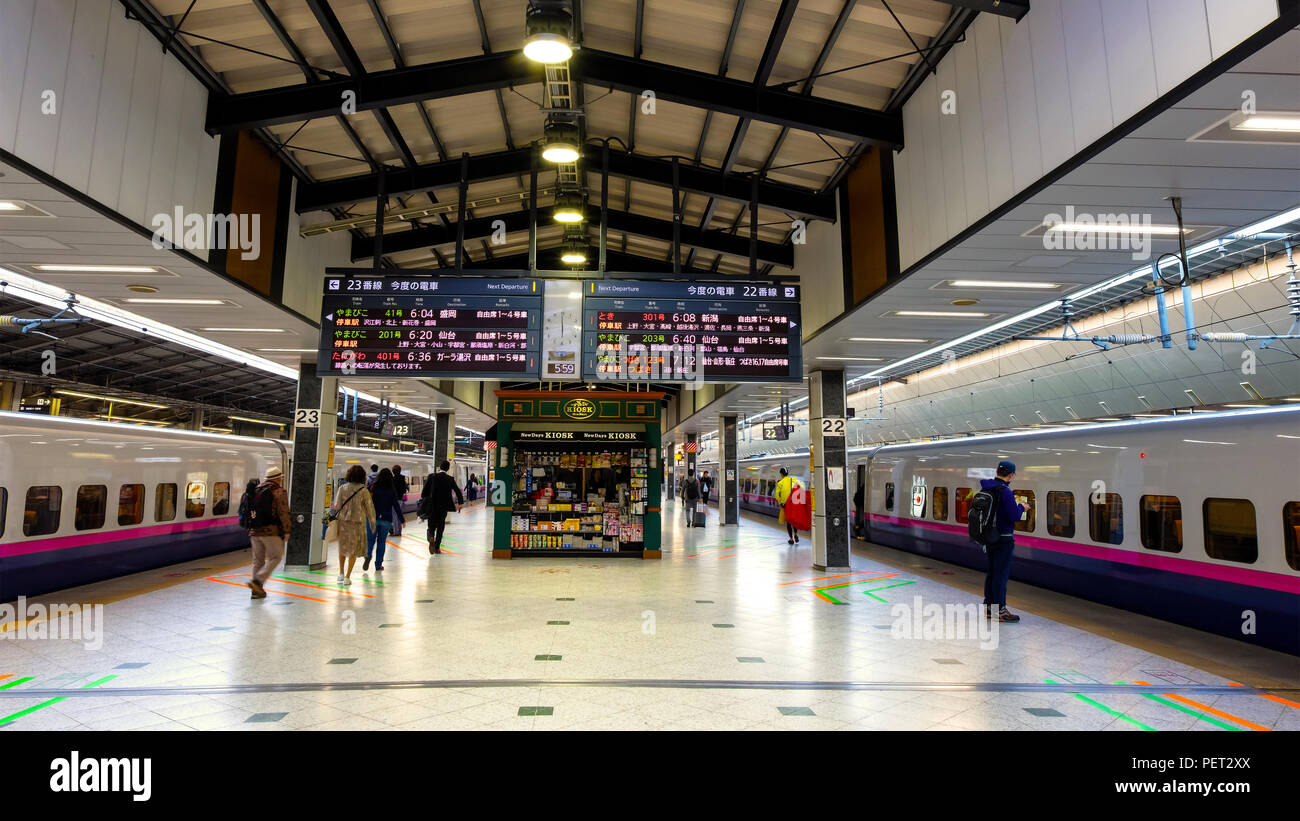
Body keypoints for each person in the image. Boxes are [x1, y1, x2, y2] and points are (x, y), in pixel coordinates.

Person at [980, 461, 1025, 623]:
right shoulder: (1005, 492)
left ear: (997, 471)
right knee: (1001, 575)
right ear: (1011, 475)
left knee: (992, 572)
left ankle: (989, 607)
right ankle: (1001, 609)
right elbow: (1014, 516)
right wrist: (1022, 507)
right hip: (1004, 539)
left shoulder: (985, 488)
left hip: (989, 537)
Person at [245, 466, 291, 599]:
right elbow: (283, 513)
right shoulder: (278, 491)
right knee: (276, 557)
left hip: (254, 531)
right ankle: (257, 581)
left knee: (258, 561)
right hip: (270, 531)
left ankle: (256, 591)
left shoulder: (256, 489)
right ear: (278, 478)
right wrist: (287, 530)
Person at [332, 465, 376, 586]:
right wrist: (372, 523)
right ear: (362, 476)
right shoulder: (364, 491)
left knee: (343, 547)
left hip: (343, 522)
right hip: (358, 523)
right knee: (353, 550)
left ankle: (341, 573)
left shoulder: (342, 488)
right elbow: (369, 508)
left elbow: (336, 505)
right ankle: (347, 577)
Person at [419, 460, 463, 554]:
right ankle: (437, 548)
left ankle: (431, 537)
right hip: (443, 508)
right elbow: (458, 491)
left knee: (431, 526)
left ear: (440, 467)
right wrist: (460, 503)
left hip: (431, 507)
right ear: (447, 469)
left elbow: (424, 493)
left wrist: (426, 499)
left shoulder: (432, 477)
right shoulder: (450, 479)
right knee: (440, 527)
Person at [364, 468, 403, 572]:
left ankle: (368, 555)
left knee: (370, 540)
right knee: (381, 542)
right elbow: (396, 506)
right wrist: (402, 520)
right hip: (386, 519)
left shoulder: (372, 487)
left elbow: (366, 502)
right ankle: (378, 565)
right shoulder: (391, 490)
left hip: (372, 518)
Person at [773, 467, 803, 544]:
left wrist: (780, 502)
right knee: (793, 521)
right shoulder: (793, 480)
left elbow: (776, 495)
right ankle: (796, 534)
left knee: (789, 522)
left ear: (781, 474)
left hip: (785, 506)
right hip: (793, 504)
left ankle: (791, 539)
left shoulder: (780, 483)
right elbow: (801, 486)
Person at [390, 465, 408, 535]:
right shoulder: (402, 478)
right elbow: (404, 489)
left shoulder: (393, 479)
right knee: (399, 514)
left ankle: (396, 531)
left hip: (394, 499)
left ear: (393, 472)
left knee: (394, 515)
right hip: (400, 499)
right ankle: (399, 531)